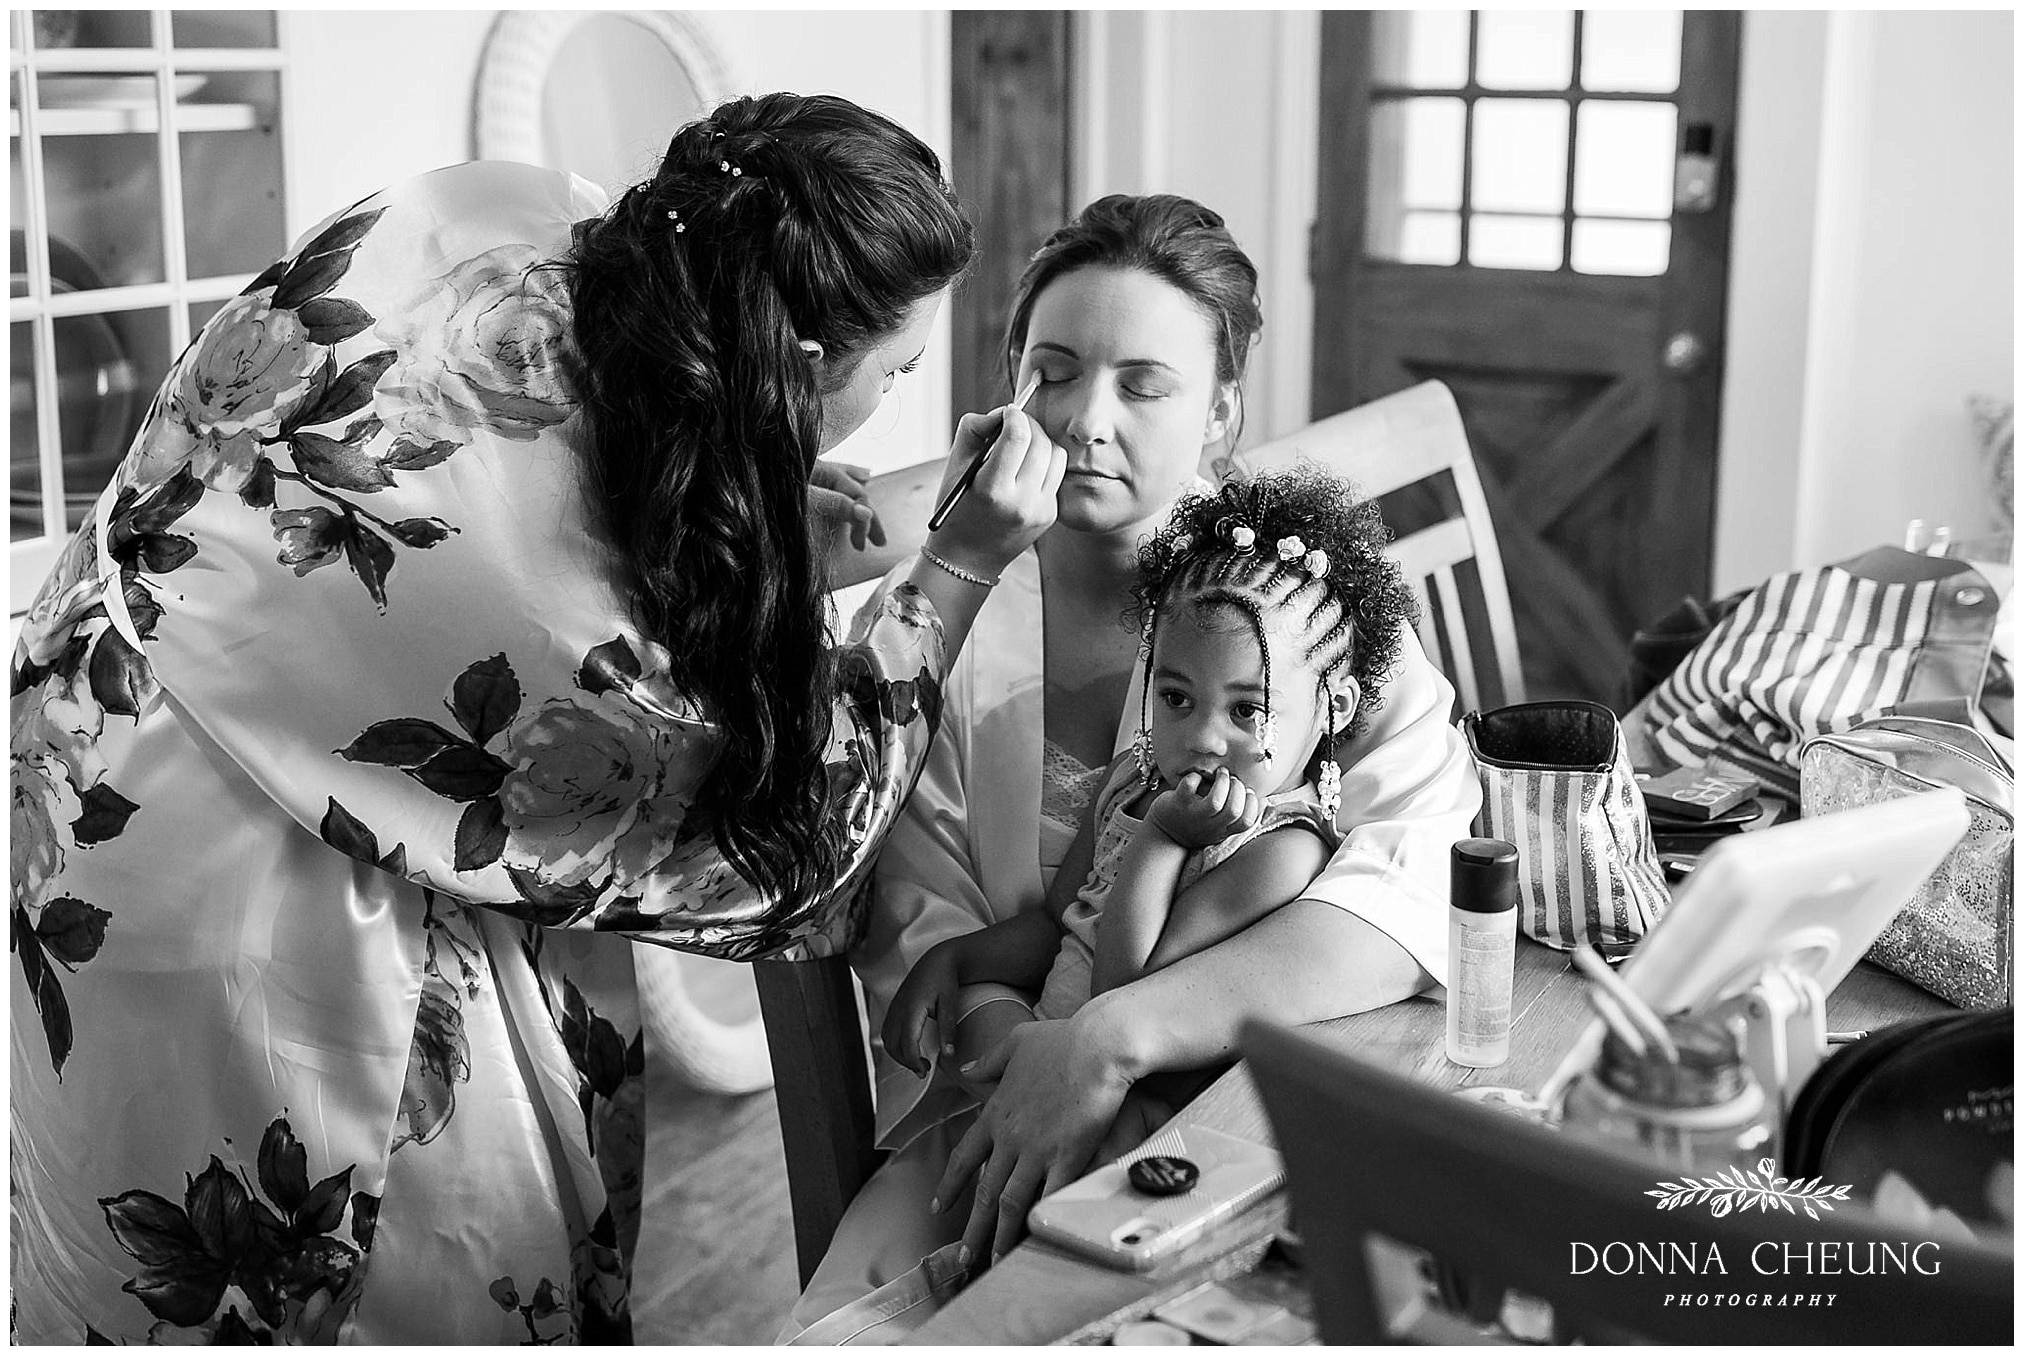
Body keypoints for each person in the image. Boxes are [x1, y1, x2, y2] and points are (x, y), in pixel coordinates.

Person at [9, 92, 1064, 1345]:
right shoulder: (533, 603)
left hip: (83, 748)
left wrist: (754, 510)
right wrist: (958, 567)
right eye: (896, 372)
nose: (899, 395)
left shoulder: (518, 224)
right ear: (789, 359)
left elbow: (585, 480)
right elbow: (784, 836)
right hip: (239, 896)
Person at [783, 195, 1480, 1342]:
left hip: (1255, 1098)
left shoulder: (1301, 610)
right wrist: (1028, 1054)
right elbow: (918, 929)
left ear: (1220, 411)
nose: (1082, 420)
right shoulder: (927, 624)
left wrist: (1112, 1038)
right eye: (1051, 373)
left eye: (1143, 386)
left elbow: (1417, 872)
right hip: (989, 1116)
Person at [885, 470, 1418, 1074]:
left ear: (1333, 707)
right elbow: (1061, 925)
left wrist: (1162, 839)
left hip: (1147, 1094)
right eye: (1176, 698)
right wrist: (953, 959)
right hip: (1056, 1052)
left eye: (1247, 710)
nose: (1203, 738)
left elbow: (1125, 994)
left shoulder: (1281, 851)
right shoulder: (1131, 782)